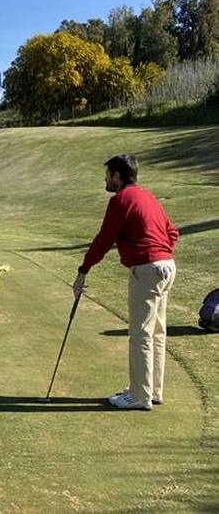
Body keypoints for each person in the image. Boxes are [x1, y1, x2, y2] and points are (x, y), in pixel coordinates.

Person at [73, 155, 178, 411]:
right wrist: (160, 255)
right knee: (156, 332)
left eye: (108, 175)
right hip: (167, 266)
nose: (106, 179)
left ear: (118, 177)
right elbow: (172, 233)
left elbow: (104, 239)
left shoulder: (120, 200)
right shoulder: (149, 197)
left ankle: (140, 396)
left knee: (140, 333)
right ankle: (152, 390)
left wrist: (83, 270)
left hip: (147, 270)